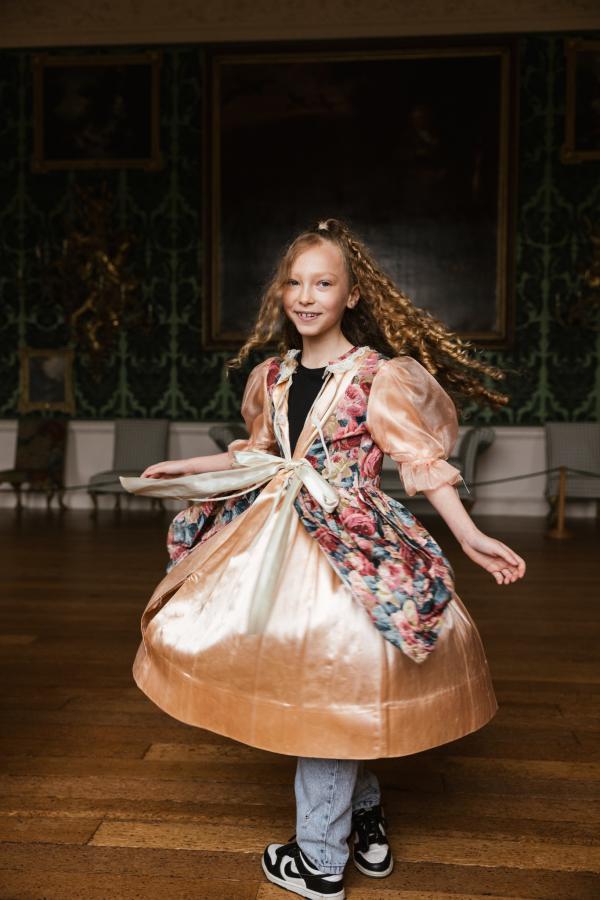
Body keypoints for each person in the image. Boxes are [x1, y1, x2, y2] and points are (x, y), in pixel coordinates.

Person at [121, 218, 525, 900]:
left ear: (353, 295)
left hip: (351, 545)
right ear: (282, 293)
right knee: (324, 687)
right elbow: (256, 454)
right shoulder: (272, 375)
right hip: (276, 541)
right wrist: (183, 468)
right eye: (295, 282)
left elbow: (420, 463)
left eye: (324, 283)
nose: (307, 296)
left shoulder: (376, 376)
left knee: (333, 688)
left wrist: (468, 535)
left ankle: (319, 862)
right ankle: (362, 819)